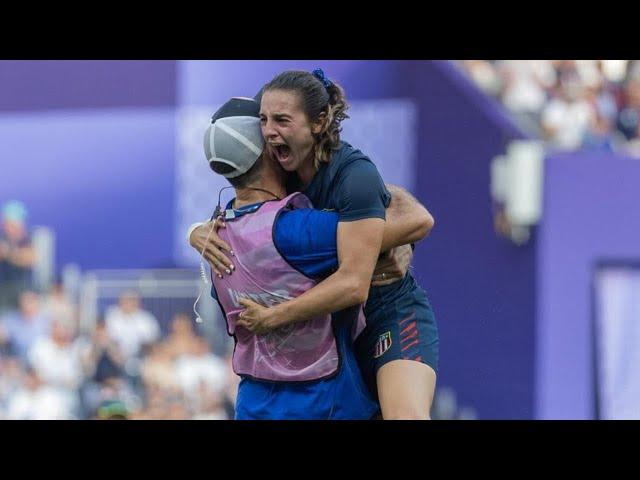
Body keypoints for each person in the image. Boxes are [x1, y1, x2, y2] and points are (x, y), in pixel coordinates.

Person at [194, 70, 439, 419]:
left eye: (281, 120)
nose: (268, 130)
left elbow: (417, 220)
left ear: (319, 122)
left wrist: (274, 316)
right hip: (334, 322)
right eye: (263, 120)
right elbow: (251, 222)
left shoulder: (352, 174)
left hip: (388, 310)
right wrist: (198, 229)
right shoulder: (281, 169)